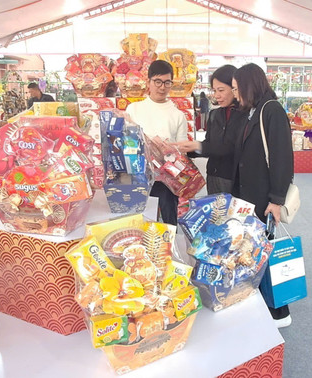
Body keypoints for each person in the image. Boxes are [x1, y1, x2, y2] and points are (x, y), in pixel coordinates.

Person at [232, 63, 294, 328]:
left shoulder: (272, 111)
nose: (235, 95)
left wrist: (276, 200)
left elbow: (282, 159)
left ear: (248, 86)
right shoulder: (253, 111)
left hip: (264, 198)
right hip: (250, 196)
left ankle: (280, 312)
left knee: (266, 254)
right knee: (255, 252)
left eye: (236, 89)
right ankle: (262, 304)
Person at [125, 60, 188, 225]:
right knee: (140, 222)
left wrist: (168, 151)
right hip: (139, 176)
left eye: (167, 82)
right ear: (148, 82)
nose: (162, 87)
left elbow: (183, 151)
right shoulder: (133, 109)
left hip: (167, 178)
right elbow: (127, 142)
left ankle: (170, 248)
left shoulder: (178, 115)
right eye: (158, 82)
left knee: (169, 223)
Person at [174, 65, 247, 195]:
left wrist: (199, 146)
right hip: (213, 176)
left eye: (221, 90)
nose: (217, 95)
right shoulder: (215, 114)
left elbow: (233, 147)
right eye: (214, 91)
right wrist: (190, 149)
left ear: (235, 88)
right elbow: (209, 144)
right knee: (215, 213)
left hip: (236, 179)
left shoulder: (246, 115)